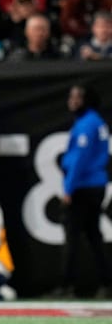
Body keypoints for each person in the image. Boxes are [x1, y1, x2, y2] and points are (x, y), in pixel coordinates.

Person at [60, 84, 112, 297]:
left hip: (83, 186)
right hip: (95, 184)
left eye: (78, 97)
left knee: (73, 237)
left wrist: (69, 187)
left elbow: (80, 159)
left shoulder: (87, 124)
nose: (72, 101)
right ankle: (106, 282)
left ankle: (67, 285)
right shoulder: (96, 122)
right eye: (71, 96)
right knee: (93, 236)